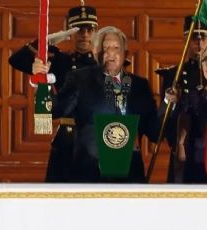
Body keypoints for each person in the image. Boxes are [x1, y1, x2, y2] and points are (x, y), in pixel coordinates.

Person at [33, 26, 178, 182]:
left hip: (129, 176)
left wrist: (167, 104)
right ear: (95, 53)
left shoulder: (139, 85)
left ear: (125, 54)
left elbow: (155, 133)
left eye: (116, 48)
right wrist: (41, 83)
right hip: (89, 173)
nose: (110, 53)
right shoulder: (80, 80)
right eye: (105, 48)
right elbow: (52, 111)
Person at [9, 1, 98, 182]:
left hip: (97, 139)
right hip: (68, 138)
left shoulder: (104, 64)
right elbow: (16, 60)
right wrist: (46, 41)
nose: (85, 35)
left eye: (89, 29)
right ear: (69, 32)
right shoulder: (60, 61)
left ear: (96, 32)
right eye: (78, 30)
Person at [155, 15, 207, 183]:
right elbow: (162, 121)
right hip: (183, 154)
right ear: (186, 39)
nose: (199, 43)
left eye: (204, 37)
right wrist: (170, 103)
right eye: (194, 37)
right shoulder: (174, 74)